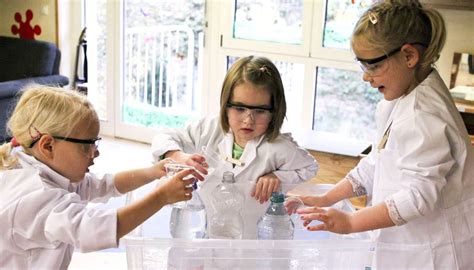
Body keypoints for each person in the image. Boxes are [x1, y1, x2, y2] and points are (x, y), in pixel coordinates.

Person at [291, 0, 474, 268]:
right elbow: (378, 161)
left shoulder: (423, 115)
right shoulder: (401, 95)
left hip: (436, 251)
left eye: (373, 66)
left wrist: (353, 222)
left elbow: (419, 197)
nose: (366, 77)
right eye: (362, 65)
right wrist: (327, 197)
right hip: (411, 243)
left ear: (409, 56)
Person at [0, 85, 203, 269]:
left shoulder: (35, 164)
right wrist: (160, 197)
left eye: (95, 143)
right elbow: (92, 230)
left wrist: (154, 172)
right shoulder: (37, 197)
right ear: (48, 145)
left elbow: (103, 185)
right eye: (86, 145)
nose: (95, 153)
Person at [152, 56, 318, 239]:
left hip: (251, 240)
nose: (248, 120)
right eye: (239, 109)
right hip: (203, 234)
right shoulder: (208, 129)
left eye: (260, 111)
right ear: (226, 105)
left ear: (275, 110)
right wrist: (177, 155)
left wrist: (278, 176)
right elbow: (164, 137)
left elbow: (310, 167)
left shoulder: (279, 147)